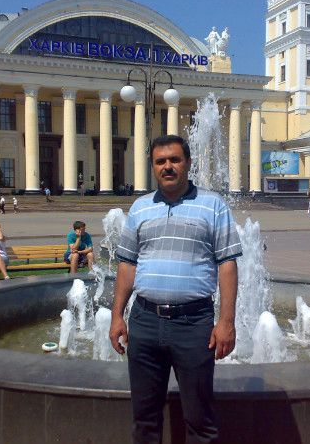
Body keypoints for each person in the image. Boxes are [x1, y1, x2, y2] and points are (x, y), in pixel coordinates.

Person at [109, 135, 242, 443]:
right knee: (144, 419)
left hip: (193, 325)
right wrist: (117, 316)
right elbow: (127, 266)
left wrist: (226, 321)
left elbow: (227, 265)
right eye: (160, 161)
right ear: (153, 166)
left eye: (174, 160)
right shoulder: (140, 208)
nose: (167, 166)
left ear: (188, 163)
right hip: (144, 322)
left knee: (199, 419)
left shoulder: (213, 206)